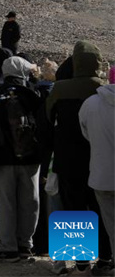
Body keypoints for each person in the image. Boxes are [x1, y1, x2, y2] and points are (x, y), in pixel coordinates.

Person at [48, 41, 112, 274]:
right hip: (97, 158)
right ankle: (105, 259)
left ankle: (81, 263)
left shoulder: (60, 90)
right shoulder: (102, 89)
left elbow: (47, 120)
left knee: (72, 208)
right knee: (100, 209)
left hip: (67, 158)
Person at [0, 56, 42, 262]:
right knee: (30, 202)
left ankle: (8, 246)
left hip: (3, 157)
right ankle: (25, 244)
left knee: (6, 203)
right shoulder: (34, 94)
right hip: (31, 158)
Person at [79, 79, 115, 273]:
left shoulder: (90, 102)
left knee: (110, 223)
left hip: (99, 174)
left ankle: (78, 265)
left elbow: (85, 132)